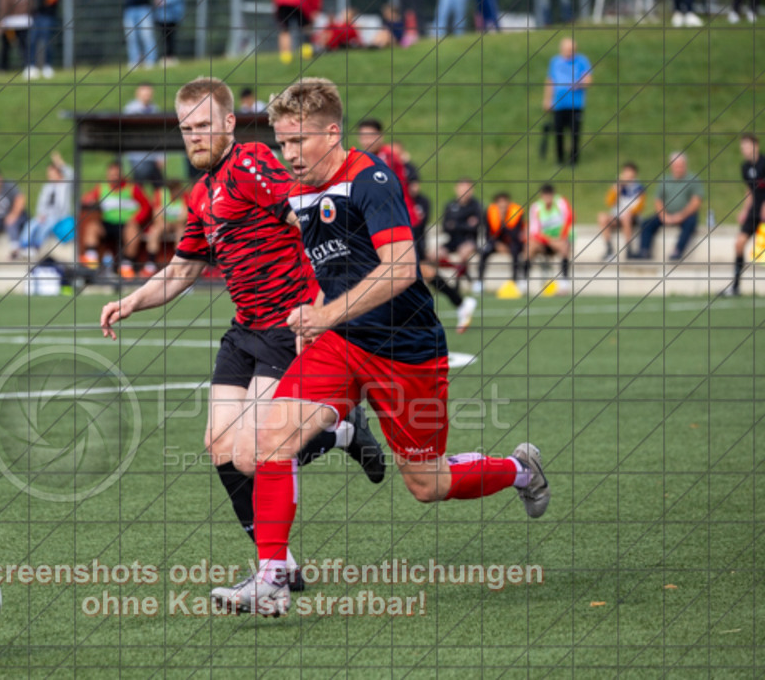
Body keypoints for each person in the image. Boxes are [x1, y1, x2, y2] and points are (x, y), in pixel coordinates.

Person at [211, 77, 548, 616]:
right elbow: (333, 267)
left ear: (333, 132)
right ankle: (272, 578)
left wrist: (324, 312)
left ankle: (519, 470)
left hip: (405, 351)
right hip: (342, 343)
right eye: (282, 143)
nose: (289, 155)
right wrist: (315, 309)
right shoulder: (297, 194)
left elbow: (400, 269)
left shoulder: (370, 179)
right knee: (269, 437)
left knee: (426, 483)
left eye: (299, 141)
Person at [99, 78, 384, 590]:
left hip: (286, 325)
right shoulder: (202, 194)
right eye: (186, 129)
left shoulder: (250, 161)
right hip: (245, 329)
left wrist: (325, 299)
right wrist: (130, 301)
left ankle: (340, 433)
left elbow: (304, 215)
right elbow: (182, 271)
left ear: (229, 123)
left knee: (255, 453)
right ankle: (281, 562)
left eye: (204, 126)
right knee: (219, 448)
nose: (195, 137)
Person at [355, 118, 475, 332]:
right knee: (409, 271)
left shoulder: (386, 158)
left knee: (416, 270)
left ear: (380, 137)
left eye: (370, 135)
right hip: (391, 223)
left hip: (405, 223)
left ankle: (458, 304)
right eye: (362, 135)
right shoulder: (370, 158)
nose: (365, 139)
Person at [80, 161, 151, 279]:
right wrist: (89, 201)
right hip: (108, 223)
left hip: (126, 223)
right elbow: (88, 198)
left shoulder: (132, 188)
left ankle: (126, 265)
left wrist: (136, 219)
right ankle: (91, 259)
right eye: (111, 174)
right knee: (92, 227)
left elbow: (146, 206)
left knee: (132, 231)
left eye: (116, 174)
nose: (114, 177)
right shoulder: (102, 188)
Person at [634, 152, 704, 261]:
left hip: (686, 215)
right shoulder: (664, 180)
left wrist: (681, 216)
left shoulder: (693, 179)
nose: (678, 168)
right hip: (666, 214)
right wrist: (663, 215)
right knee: (646, 223)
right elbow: (658, 200)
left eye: (680, 165)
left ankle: (677, 251)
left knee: (691, 223)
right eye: (676, 166)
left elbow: (696, 201)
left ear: (685, 165)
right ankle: (644, 251)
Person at [724, 134, 765, 296]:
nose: (745, 150)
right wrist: (744, 210)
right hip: (754, 211)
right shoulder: (745, 167)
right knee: (739, 243)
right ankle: (735, 287)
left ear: (756, 145)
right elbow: (749, 191)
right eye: (742, 148)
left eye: (747, 146)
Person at [543, 38, 592, 167]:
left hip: (575, 104)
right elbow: (550, 80)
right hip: (558, 104)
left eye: (571, 50)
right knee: (558, 133)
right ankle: (559, 160)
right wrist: (547, 100)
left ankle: (573, 160)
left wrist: (579, 84)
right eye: (566, 50)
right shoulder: (555, 61)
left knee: (574, 133)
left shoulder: (582, 61)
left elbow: (588, 80)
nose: (569, 52)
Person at [18, 152, 74, 257]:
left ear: (58, 173)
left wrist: (60, 163)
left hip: (59, 217)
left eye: (51, 173)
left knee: (46, 226)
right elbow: (41, 203)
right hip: (45, 215)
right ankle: (24, 246)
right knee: (31, 224)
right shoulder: (47, 187)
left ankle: (36, 246)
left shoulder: (65, 185)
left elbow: (72, 174)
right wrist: (41, 214)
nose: (49, 175)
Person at [436, 178, 484, 293]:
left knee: (464, 252)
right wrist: (465, 223)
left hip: (469, 241)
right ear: (456, 189)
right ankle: (462, 274)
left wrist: (455, 225)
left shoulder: (476, 206)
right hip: (452, 240)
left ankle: (456, 285)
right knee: (434, 254)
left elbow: (474, 227)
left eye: (468, 189)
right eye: (462, 188)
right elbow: (445, 227)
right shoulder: (450, 205)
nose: (464, 191)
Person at [526, 184, 573, 293]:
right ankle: (523, 282)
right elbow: (534, 232)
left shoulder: (561, 203)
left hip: (559, 239)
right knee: (529, 248)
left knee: (564, 247)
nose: (547, 198)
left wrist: (560, 237)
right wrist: (549, 240)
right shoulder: (536, 207)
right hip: (544, 241)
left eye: (549, 195)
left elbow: (569, 219)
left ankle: (564, 284)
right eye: (545, 195)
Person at [477, 192, 526, 290]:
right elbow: (488, 234)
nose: (502, 206)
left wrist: (504, 221)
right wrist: (497, 245)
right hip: (496, 243)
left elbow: (515, 234)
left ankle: (515, 280)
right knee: (484, 252)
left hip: (512, 242)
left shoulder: (516, 212)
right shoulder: (490, 212)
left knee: (516, 252)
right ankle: (479, 281)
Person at [598, 162, 646, 261]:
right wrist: (617, 189)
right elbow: (609, 202)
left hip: (632, 217)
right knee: (602, 216)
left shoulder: (639, 188)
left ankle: (629, 250)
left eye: (630, 172)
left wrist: (628, 212)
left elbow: (640, 207)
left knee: (626, 216)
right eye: (625, 172)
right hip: (617, 216)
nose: (627, 175)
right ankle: (609, 249)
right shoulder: (618, 186)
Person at [141, 179, 187, 276]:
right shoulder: (160, 194)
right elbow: (156, 215)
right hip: (164, 223)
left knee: (181, 231)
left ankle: (179, 264)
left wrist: (173, 222)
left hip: (178, 225)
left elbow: (184, 217)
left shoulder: (184, 196)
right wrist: (166, 223)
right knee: (155, 231)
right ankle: (150, 264)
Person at [123, 83, 165, 186]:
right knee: (138, 188)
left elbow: (160, 134)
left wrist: (161, 156)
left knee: (160, 188)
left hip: (153, 156)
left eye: (149, 93)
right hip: (136, 156)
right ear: (138, 93)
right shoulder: (130, 111)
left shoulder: (155, 110)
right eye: (144, 92)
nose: (147, 95)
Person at [273, 0, 320, 64]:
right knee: (306, 27)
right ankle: (306, 54)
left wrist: (277, 2)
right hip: (300, 3)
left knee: (284, 30)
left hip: (282, 2)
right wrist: (314, 9)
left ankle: (286, 58)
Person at [26, 0, 59, 79]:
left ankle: (47, 66)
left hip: (48, 16)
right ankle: (31, 66)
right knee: (32, 41)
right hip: (36, 17)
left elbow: (51, 1)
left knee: (47, 42)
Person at [0, 0, 31, 73]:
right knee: (23, 46)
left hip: (9, 22)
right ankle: (27, 66)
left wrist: (0, 21)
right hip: (23, 21)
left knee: (6, 46)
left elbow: (3, 6)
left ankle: (3, 68)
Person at [123, 0, 157, 69]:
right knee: (131, 37)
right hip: (129, 8)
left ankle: (150, 61)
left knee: (146, 36)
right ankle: (134, 61)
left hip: (144, 7)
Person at [154, 0, 185, 66]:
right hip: (162, 17)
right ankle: (166, 57)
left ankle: (170, 57)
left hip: (173, 16)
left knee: (171, 38)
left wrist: (163, 1)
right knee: (165, 38)